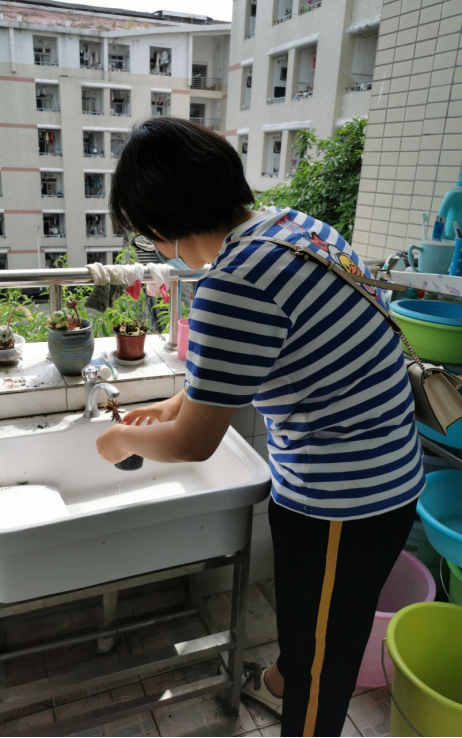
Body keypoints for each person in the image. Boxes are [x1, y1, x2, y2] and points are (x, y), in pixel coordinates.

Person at [96, 118, 425, 738]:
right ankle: (279, 679)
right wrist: (176, 402)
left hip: (343, 502)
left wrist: (119, 439)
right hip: (386, 476)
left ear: (162, 226)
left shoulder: (232, 284)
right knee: (317, 628)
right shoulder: (294, 228)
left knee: (324, 667)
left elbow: (194, 444)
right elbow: (273, 353)